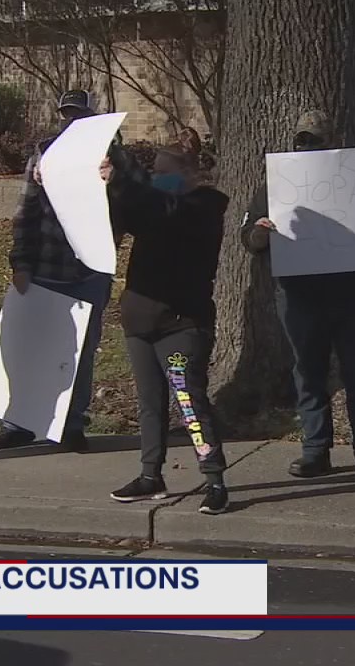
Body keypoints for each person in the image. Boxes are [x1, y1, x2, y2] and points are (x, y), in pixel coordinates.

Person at [239, 111, 355, 486]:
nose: (308, 147)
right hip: (300, 296)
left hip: (353, 295)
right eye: (303, 140)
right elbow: (249, 237)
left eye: (316, 140)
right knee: (308, 374)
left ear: (335, 142)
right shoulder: (277, 184)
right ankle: (315, 451)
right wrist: (259, 233)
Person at [0, 89, 145, 453]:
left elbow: (141, 204)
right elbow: (26, 211)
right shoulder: (45, 153)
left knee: (80, 353)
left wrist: (117, 180)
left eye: (80, 115)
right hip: (45, 265)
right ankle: (18, 424)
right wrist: (20, 262)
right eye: (67, 115)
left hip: (90, 270)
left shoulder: (116, 157)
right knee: (28, 347)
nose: (73, 121)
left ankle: (72, 424)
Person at [104, 146, 230, 515]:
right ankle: (150, 474)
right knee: (149, 403)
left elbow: (165, 212)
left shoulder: (202, 207)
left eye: (165, 172)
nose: (158, 179)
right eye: (154, 173)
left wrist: (125, 181)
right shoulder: (151, 206)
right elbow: (126, 214)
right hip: (141, 321)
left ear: (190, 173)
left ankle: (214, 479)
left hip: (180, 324)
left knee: (188, 402)